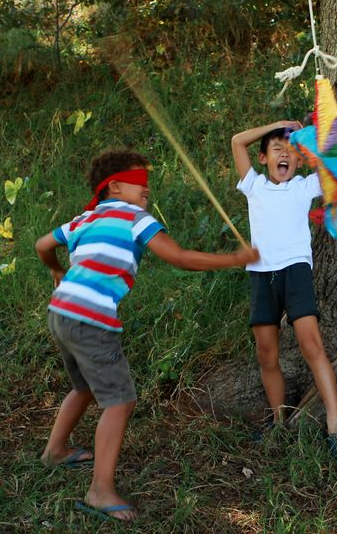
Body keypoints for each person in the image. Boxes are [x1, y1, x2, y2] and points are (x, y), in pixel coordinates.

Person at [35, 149, 258, 522]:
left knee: (85, 387)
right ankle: (99, 490)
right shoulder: (136, 218)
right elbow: (180, 257)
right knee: (119, 401)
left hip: (60, 313)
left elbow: (42, 245)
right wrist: (234, 259)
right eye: (141, 184)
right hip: (91, 320)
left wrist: (57, 270)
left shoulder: (85, 218)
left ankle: (55, 451)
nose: (147, 191)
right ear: (116, 186)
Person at [230, 120, 337, 453]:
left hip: (295, 271)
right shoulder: (253, 185)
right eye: (276, 150)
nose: (284, 156)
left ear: (299, 160)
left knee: (311, 345)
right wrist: (280, 126)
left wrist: (308, 141)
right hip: (261, 274)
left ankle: (336, 424)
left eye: (291, 152)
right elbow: (238, 140)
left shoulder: (305, 186)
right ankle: (278, 422)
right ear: (264, 158)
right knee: (266, 353)